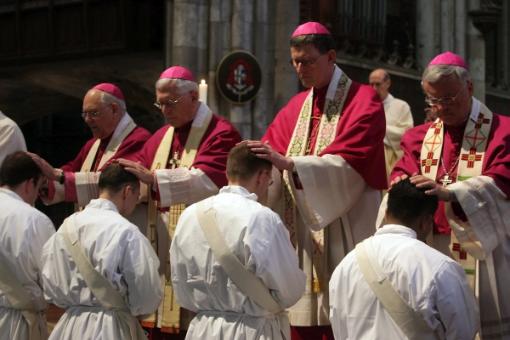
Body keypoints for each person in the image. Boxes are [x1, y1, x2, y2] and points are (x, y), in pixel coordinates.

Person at [247, 22, 387, 339]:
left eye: (308, 60)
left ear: (331, 56)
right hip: (302, 231)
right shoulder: (295, 107)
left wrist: (293, 165)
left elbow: (352, 161)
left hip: (345, 223)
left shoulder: (364, 99)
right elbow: (271, 153)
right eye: (295, 60)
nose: (300, 68)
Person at [390, 51, 510, 338]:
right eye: (433, 101)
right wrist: (402, 182)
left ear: (468, 88)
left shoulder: (502, 131)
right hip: (431, 243)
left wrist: (451, 193)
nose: (440, 108)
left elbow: (502, 179)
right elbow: (403, 169)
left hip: (481, 247)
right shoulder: (420, 137)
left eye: (448, 99)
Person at [118, 65, 242, 339]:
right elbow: (138, 174)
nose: (164, 110)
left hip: (200, 250)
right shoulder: (161, 137)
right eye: (159, 103)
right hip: (162, 249)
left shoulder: (221, 132)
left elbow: (209, 180)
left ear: (194, 97)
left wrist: (153, 180)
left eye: (170, 102)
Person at [169, 143, 305, 340]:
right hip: (251, 331)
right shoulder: (262, 217)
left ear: (228, 172)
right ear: (262, 176)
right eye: (270, 182)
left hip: (202, 329)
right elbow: (289, 288)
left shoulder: (190, 215)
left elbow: (179, 282)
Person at [330, 178, 479, 339]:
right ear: (426, 222)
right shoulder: (440, 267)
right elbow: (463, 330)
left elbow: (339, 327)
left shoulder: (345, 266)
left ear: (386, 213)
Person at [41, 163, 162, 340]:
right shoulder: (127, 232)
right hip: (110, 328)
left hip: (69, 326)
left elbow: (49, 281)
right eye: (137, 196)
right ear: (127, 191)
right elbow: (146, 294)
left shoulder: (65, 228)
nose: (136, 203)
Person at [31, 83, 150, 207]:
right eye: (85, 114)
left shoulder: (138, 139)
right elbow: (72, 169)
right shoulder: (92, 144)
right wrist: (43, 180)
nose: (87, 119)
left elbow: (113, 181)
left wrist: (58, 176)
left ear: (114, 109)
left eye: (93, 113)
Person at [0, 151, 55, 340]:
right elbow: (53, 280)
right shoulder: (35, 220)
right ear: (30, 183)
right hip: (16, 322)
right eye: (39, 188)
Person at [369, 68, 414, 178]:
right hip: (368, 159)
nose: (374, 88)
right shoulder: (365, 106)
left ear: (388, 83)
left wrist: (379, 128)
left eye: (378, 84)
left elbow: (408, 134)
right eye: (371, 84)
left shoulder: (401, 106)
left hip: (390, 161)